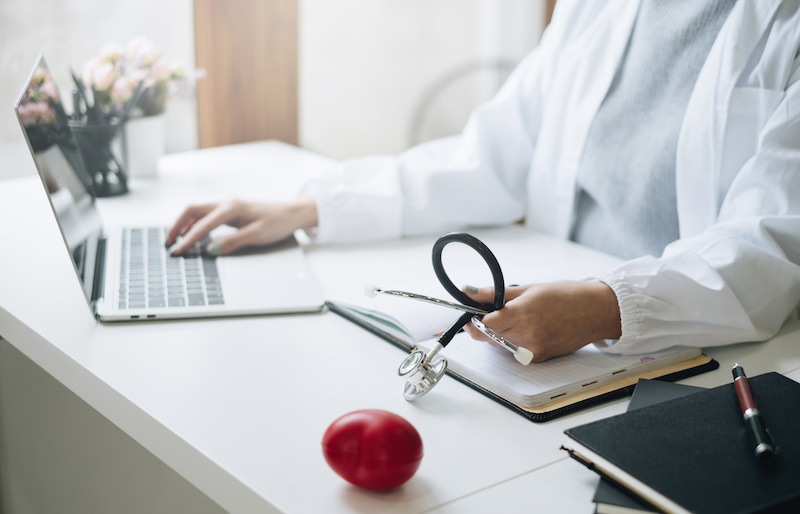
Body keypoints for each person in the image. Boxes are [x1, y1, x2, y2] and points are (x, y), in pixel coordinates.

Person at [166, 0, 800, 362]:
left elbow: (767, 248)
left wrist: (606, 306)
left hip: (711, 355)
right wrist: (312, 208)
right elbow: (491, 156)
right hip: (553, 348)